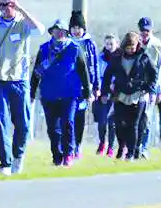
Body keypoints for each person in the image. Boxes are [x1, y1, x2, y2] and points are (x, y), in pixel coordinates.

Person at [0, 0, 45, 176]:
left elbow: (40, 30)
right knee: (1, 121)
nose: (4, 8)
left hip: (19, 79)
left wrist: (20, 9)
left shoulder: (23, 24)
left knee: (23, 123)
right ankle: (5, 162)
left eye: (8, 4)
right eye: (0, 5)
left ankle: (18, 155)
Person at [31, 20, 92, 167]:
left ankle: (69, 154)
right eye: (56, 30)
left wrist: (87, 92)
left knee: (68, 123)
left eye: (62, 31)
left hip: (69, 94)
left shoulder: (75, 49)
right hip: (49, 94)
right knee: (53, 128)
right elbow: (36, 72)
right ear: (51, 32)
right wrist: (32, 92)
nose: (59, 33)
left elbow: (84, 71)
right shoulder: (44, 49)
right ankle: (56, 156)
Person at [101, 31, 158, 161]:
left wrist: (148, 88)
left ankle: (131, 152)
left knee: (134, 125)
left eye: (132, 47)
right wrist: (105, 91)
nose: (130, 50)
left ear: (137, 45)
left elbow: (153, 74)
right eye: (128, 47)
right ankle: (122, 147)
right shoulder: (117, 58)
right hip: (120, 95)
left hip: (138, 96)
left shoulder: (144, 57)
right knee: (119, 125)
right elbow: (107, 75)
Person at [67, 10, 98, 160]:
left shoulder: (90, 44)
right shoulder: (66, 43)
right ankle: (69, 146)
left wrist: (95, 87)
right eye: (73, 27)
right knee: (68, 118)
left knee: (79, 118)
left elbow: (94, 66)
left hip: (84, 88)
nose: (76, 30)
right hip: (67, 87)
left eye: (79, 27)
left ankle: (77, 146)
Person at [136, 17, 161, 159]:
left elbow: (160, 69)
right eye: (142, 30)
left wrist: (158, 90)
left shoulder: (157, 45)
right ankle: (134, 146)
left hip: (151, 87)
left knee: (146, 118)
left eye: (147, 30)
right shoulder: (136, 43)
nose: (145, 33)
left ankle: (144, 148)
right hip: (136, 86)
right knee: (134, 118)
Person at [94, 34, 119, 157]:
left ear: (117, 44)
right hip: (103, 92)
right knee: (102, 121)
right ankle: (102, 142)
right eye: (107, 44)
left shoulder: (120, 58)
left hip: (116, 93)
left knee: (112, 122)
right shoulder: (100, 58)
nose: (109, 46)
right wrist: (100, 89)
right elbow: (97, 74)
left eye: (111, 44)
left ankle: (111, 147)